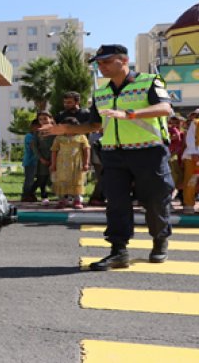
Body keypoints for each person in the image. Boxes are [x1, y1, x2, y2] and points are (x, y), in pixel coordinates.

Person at [40, 44, 174, 271]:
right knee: (116, 204)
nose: (101, 66)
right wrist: (65, 130)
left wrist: (129, 114)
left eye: (105, 61)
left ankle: (159, 240)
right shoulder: (101, 93)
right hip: (114, 154)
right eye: (98, 63)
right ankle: (118, 251)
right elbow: (94, 124)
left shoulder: (150, 81)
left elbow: (165, 108)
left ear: (123, 60)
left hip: (148, 151)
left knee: (154, 201)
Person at [50, 117, 90, 209]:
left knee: (77, 180)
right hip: (62, 164)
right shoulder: (59, 137)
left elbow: (86, 149)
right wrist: (53, 164)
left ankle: (77, 200)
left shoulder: (81, 136)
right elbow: (54, 150)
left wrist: (86, 163)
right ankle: (62, 200)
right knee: (62, 180)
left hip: (76, 163)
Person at [31, 112, 56, 206]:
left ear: (51, 119)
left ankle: (64, 196)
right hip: (42, 158)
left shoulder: (56, 130)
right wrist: (41, 158)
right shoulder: (38, 132)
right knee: (42, 178)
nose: (43, 121)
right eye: (40, 119)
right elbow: (34, 146)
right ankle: (44, 196)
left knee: (56, 177)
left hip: (56, 157)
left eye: (45, 118)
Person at [20, 119, 40, 202]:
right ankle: (25, 195)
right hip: (30, 161)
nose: (39, 128)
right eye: (37, 127)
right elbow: (33, 147)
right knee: (29, 179)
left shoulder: (37, 136)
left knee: (38, 179)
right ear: (32, 127)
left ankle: (31, 194)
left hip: (36, 161)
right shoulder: (29, 136)